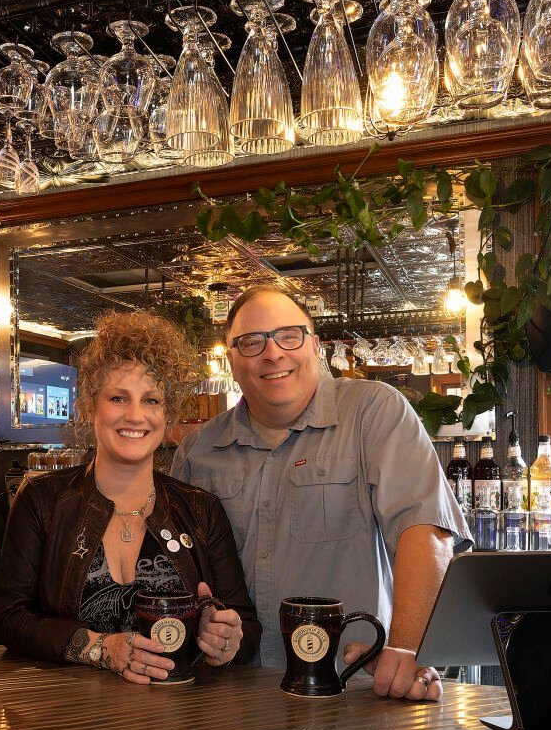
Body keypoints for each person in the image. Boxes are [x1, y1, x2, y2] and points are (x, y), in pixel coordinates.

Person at [170, 288, 469, 701]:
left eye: (288, 335)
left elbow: (425, 530)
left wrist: (407, 648)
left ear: (315, 345)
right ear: (233, 362)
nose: (272, 353)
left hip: (350, 686)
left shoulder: (373, 412)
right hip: (230, 693)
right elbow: (179, 573)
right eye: (251, 342)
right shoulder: (198, 450)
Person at [0, 312, 260, 682]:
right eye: (119, 398)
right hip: (68, 720)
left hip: (178, 721)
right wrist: (101, 649)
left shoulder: (201, 509)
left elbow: (244, 625)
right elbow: (10, 619)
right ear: (90, 406)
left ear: (168, 414)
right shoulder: (42, 500)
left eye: (152, 400)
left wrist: (225, 639)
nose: (136, 416)